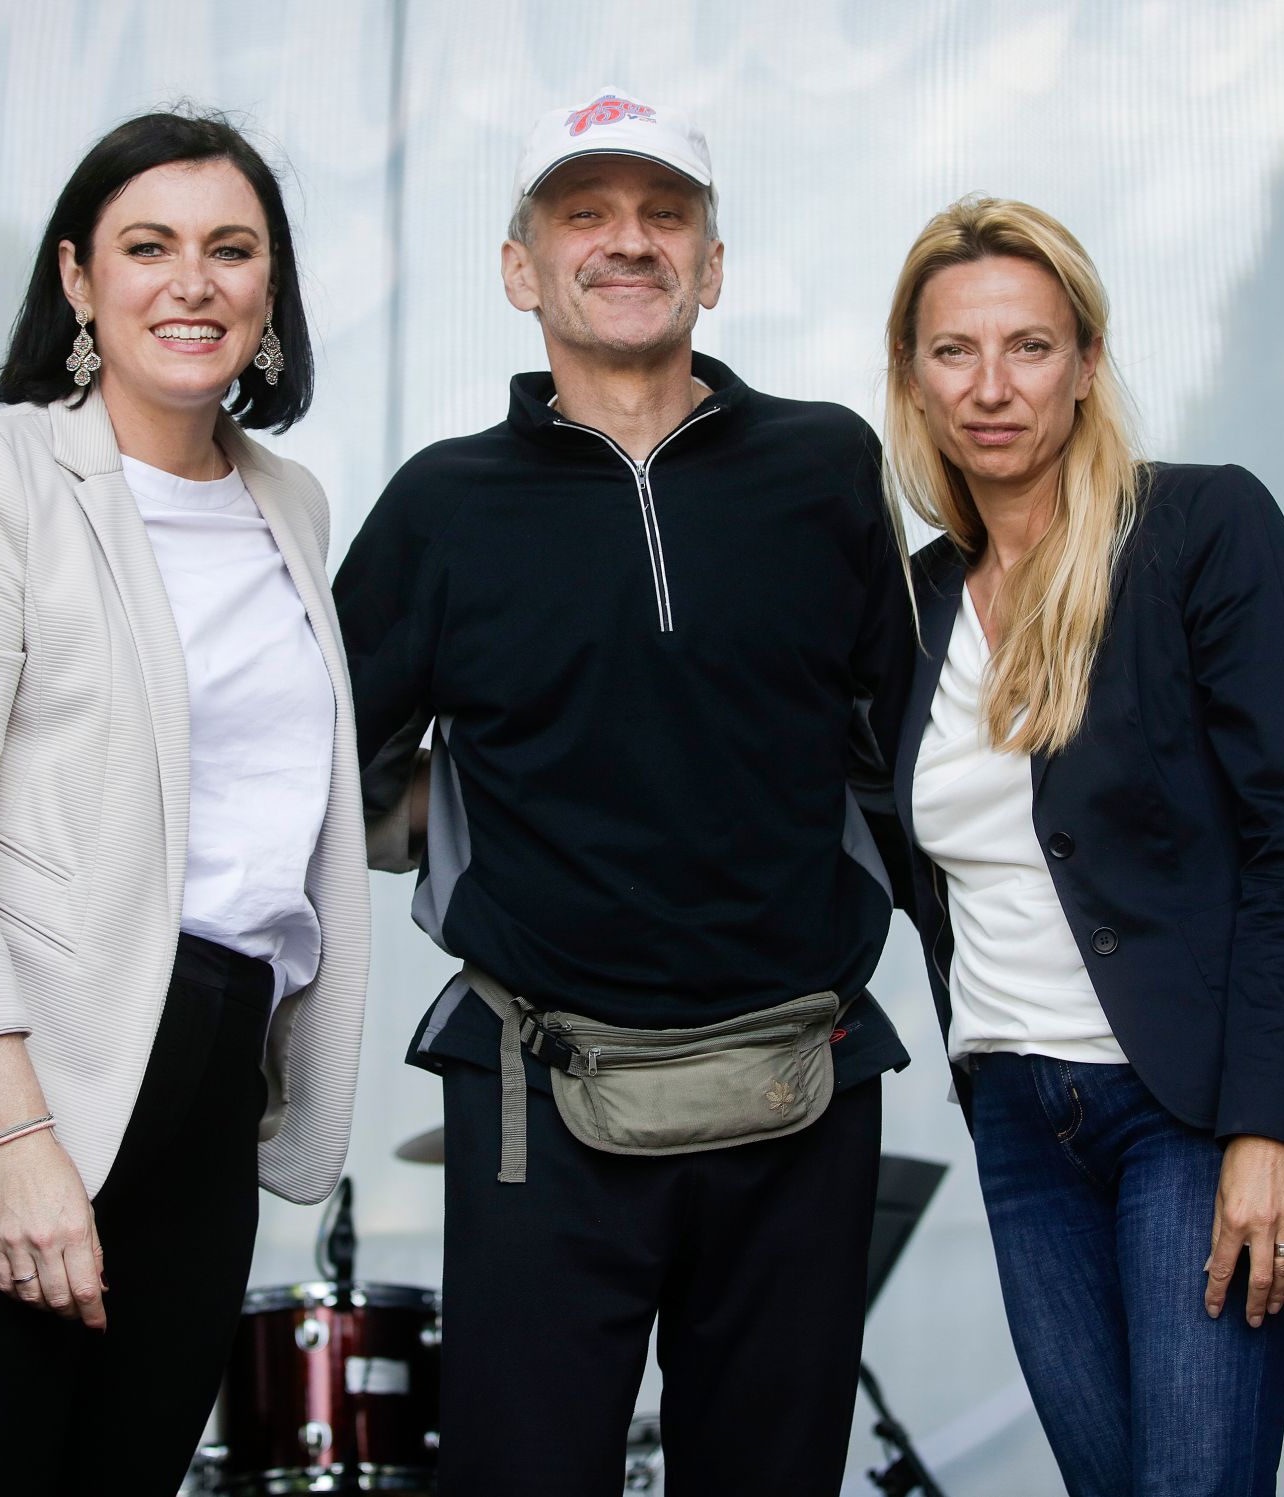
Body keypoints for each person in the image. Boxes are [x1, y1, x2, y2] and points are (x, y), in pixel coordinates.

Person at [334, 90, 912, 1495]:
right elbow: (315, 765)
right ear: (522, 268)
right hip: (541, 1085)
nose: (628, 242)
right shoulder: (442, 505)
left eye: (665, 216)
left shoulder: (828, 467)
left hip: (800, 1078)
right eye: (583, 215)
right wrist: (463, 827)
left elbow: (903, 754)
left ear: (712, 266)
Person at [0, 110, 369, 1496]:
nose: (194, 282)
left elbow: (266, 802)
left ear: (272, 289)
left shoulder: (290, 501)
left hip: (203, 1083)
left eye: (232, 250)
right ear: (77, 278)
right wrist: (16, 1140)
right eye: (148, 246)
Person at [881, 195, 1284, 1495]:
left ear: (1088, 364)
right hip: (1017, 1117)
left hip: (1197, 1109)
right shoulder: (912, 606)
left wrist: (1270, 1125)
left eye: (1030, 346)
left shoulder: (1200, 535)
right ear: (914, 377)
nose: (992, 386)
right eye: (955, 351)